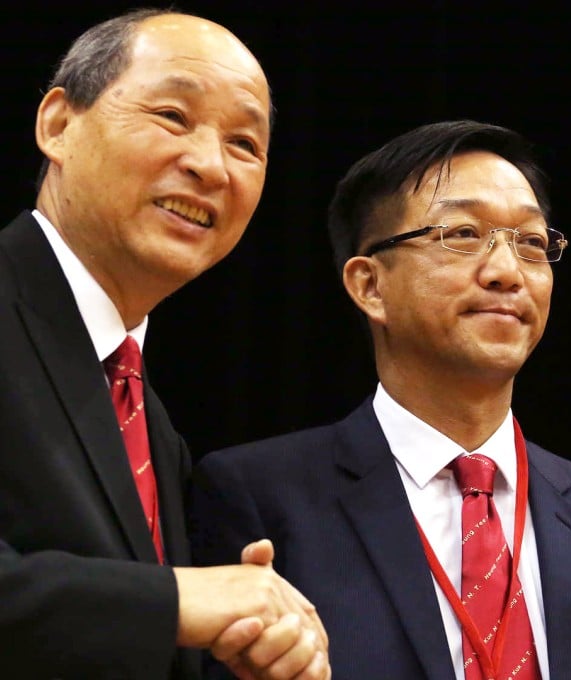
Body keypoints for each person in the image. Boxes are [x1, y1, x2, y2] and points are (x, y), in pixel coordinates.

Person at [189, 119, 571, 680]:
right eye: (463, 234)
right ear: (369, 285)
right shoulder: (259, 497)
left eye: (532, 244)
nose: (508, 271)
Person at [0, 9, 329, 679]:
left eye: (245, 144)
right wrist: (179, 598)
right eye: (174, 117)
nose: (209, 165)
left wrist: (260, 648)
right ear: (58, 125)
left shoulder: (147, 414)